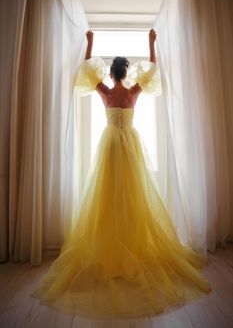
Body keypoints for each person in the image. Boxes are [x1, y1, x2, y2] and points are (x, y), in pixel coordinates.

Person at [31, 29, 211, 319]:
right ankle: (126, 247)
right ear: (124, 73)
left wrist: (90, 42)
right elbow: (152, 73)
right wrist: (151, 43)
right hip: (129, 144)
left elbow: (87, 71)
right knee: (133, 195)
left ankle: (113, 248)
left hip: (110, 145)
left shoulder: (105, 92)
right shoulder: (131, 93)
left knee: (109, 196)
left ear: (111, 74)